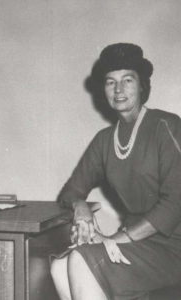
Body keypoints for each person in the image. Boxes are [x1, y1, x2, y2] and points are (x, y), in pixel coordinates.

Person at [51, 43, 181, 300]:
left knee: (79, 259)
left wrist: (116, 238)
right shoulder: (104, 139)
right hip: (137, 242)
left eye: (127, 80)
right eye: (110, 82)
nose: (118, 89)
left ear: (142, 85)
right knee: (58, 267)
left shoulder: (166, 125)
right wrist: (82, 208)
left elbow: (175, 204)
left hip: (172, 245)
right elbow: (71, 190)